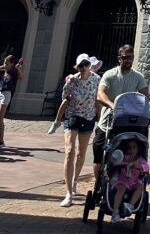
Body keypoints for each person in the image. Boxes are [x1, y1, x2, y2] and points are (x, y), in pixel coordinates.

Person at [93, 45, 148, 187]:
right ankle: (99, 184)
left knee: (128, 156)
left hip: (127, 125)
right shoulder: (110, 75)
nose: (128, 60)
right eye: (124, 58)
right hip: (107, 123)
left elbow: (144, 97)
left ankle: (126, 183)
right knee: (99, 157)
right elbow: (100, 94)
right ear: (119, 59)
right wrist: (112, 105)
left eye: (130, 57)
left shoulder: (138, 77)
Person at [55, 54, 101, 207]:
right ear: (77, 66)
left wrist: (100, 119)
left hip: (88, 118)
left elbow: (97, 100)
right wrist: (58, 118)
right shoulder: (71, 80)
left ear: (89, 65)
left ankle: (75, 181)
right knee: (69, 151)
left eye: (86, 64)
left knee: (81, 153)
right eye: (80, 65)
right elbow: (65, 98)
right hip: (72, 116)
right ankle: (68, 193)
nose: (83, 68)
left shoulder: (96, 79)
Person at [110, 136, 149, 224]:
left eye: (134, 147)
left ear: (138, 148)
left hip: (133, 182)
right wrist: (123, 161)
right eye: (129, 148)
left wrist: (139, 166)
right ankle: (115, 212)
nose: (131, 150)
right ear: (125, 149)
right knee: (121, 188)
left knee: (141, 186)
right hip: (121, 181)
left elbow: (147, 167)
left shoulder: (140, 159)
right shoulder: (122, 157)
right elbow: (114, 163)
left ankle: (130, 205)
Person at [0, 54, 24, 147]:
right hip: (0, 93)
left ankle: (0, 140)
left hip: (6, 93)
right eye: (5, 62)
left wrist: (18, 68)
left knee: (0, 117)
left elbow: (21, 77)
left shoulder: (13, 72)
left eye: (7, 63)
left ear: (12, 64)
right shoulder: (3, 71)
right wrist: (3, 66)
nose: (5, 64)